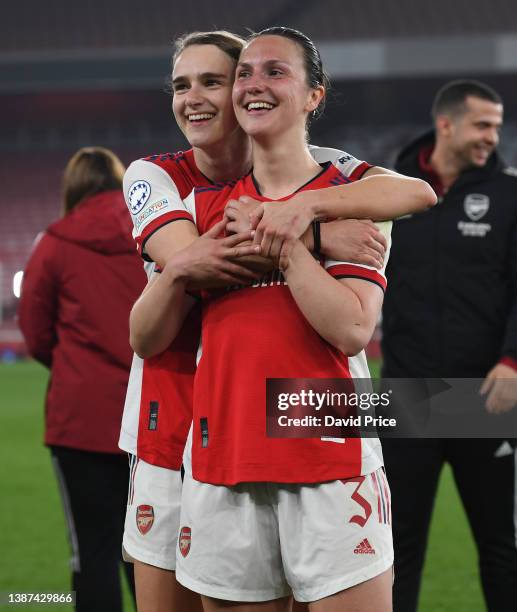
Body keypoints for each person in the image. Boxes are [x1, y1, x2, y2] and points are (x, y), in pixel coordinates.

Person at [119, 29, 436, 612]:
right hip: (198, 432)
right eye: (242, 75)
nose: (241, 89)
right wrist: (310, 235)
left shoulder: (344, 187)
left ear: (315, 94)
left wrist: (304, 218)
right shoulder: (170, 186)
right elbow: (175, 282)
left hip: (321, 428)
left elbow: (415, 199)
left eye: (219, 78)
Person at [381, 80, 517, 612]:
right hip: (406, 394)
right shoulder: (388, 190)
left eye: (497, 126)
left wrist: (512, 361)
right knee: (395, 549)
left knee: (502, 549)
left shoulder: (510, 195)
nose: (493, 136)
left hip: (485, 394)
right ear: (447, 124)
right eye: (483, 124)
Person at [18, 147, 143, 612]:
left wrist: (75, 367)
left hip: (80, 419)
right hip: (149, 416)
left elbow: (34, 332)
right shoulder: (154, 233)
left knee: (91, 552)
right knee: (151, 552)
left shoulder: (55, 242)